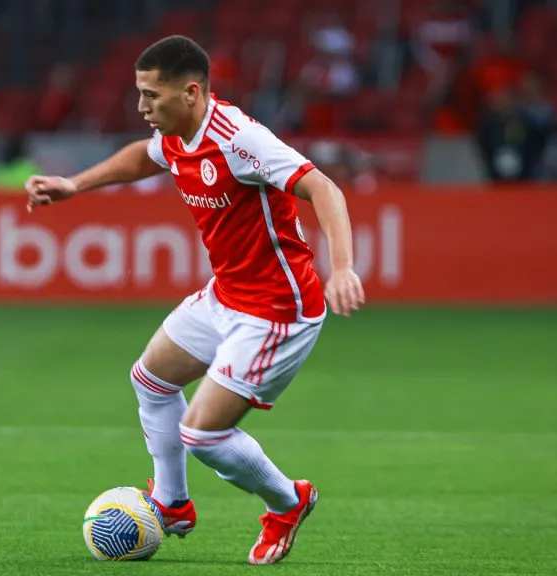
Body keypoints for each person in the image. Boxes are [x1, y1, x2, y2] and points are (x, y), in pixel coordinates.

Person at [24, 35, 365, 566]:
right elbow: (144, 157)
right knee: (151, 379)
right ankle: (172, 503)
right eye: (139, 93)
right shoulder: (176, 134)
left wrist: (341, 267)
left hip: (277, 311)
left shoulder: (239, 139)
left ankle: (288, 501)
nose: (142, 107)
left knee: (202, 435)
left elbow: (324, 189)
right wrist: (75, 184)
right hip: (227, 294)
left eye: (151, 95)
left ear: (190, 93)